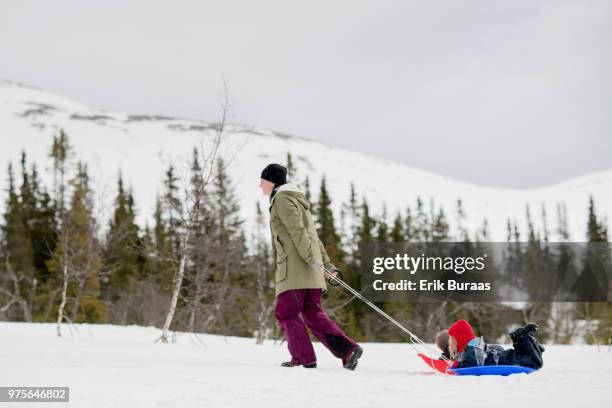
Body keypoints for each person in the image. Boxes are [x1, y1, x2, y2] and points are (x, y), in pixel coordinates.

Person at [260, 163, 363, 370]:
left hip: (295, 271)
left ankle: (303, 357)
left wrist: (314, 261)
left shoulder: (281, 199)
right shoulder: (297, 200)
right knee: (312, 314)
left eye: (262, 181)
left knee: (286, 312)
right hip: (311, 270)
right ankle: (347, 350)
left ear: (272, 182)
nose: (260, 185)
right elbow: (313, 237)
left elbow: (298, 232)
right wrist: (326, 265)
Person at [446, 319, 544, 369]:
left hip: (508, 361)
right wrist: (452, 359)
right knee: (528, 356)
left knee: (535, 362)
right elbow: (466, 358)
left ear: (459, 340)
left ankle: (522, 337)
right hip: (507, 357)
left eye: (451, 341)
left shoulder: (472, 349)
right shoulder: (474, 345)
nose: (450, 344)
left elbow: (470, 364)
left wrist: (456, 365)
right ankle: (535, 348)